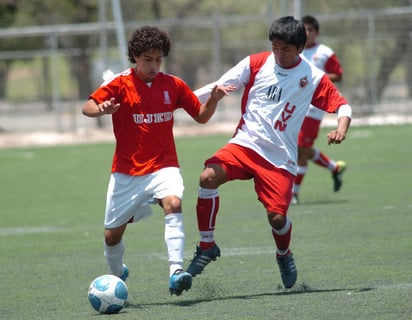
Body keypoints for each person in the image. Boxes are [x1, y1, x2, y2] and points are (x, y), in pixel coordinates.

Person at [186, 16, 352, 289]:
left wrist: (341, 128)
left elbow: (342, 106)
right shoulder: (256, 62)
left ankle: (284, 254)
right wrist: (181, 102)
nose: (278, 53)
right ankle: (206, 246)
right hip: (245, 145)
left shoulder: (312, 77)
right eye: (274, 47)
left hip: (279, 159)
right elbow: (215, 87)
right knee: (207, 178)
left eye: (284, 49)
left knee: (277, 218)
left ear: (299, 48)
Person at [82, 26, 233, 296]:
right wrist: (101, 110)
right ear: (135, 57)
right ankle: (116, 277)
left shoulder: (172, 84)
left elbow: (200, 116)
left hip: (164, 166)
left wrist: (213, 100)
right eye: (147, 59)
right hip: (127, 172)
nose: (153, 65)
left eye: (158, 59)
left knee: (173, 203)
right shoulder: (120, 84)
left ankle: (176, 271)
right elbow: (88, 106)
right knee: (111, 237)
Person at [291, 15, 346, 205]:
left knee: (301, 149)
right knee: (300, 148)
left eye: (310, 30)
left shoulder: (324, 52)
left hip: (314, 107)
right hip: (296, 104)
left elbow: (338, 75)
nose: (307, 33)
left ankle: (294, 194)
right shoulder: (294, 51)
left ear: (317, 32)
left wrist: (317, 78)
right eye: (304, 30)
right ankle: (334, 168)